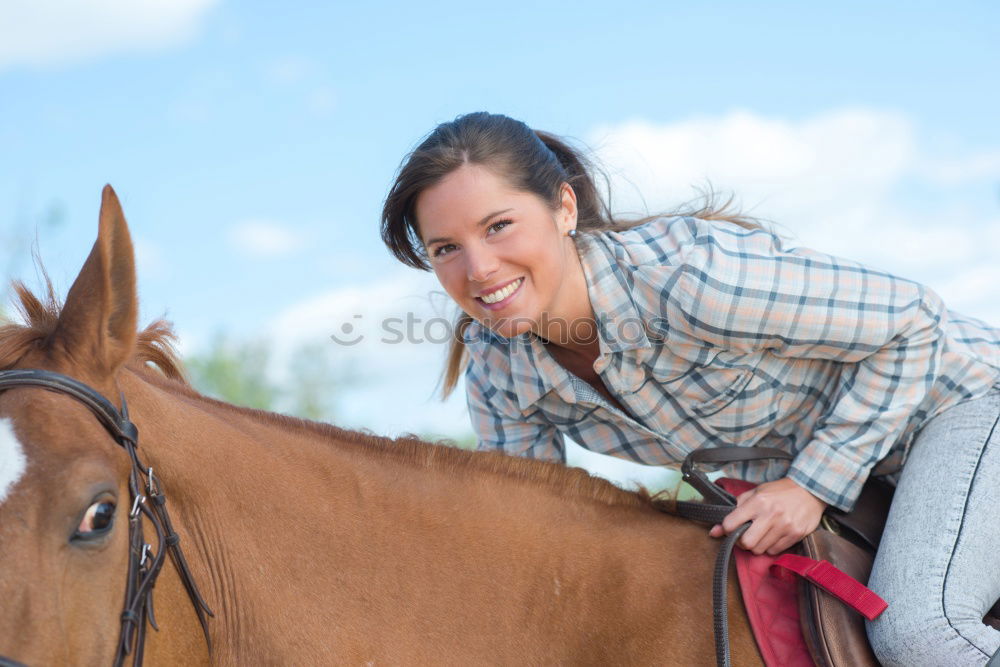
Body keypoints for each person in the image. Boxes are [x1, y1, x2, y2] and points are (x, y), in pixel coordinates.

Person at [380, 111, 1000, 666]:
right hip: (863, 481)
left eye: (499, 226)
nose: (478, 269)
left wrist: (813, 483)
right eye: (445, 248)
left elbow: (915, 322)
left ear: (564, 209)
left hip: (960, 406)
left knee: (923, 633)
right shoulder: (498, 371)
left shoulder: (687, 277)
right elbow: (536, 526)